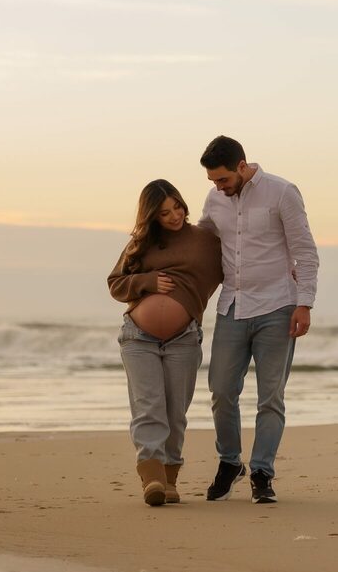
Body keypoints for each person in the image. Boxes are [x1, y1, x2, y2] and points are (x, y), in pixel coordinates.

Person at [198, 135, 318, 504]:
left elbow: (305, 250)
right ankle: (230, 462)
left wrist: (305, 303)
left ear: (242, 165)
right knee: (220, 390)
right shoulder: (214, 199)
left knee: (270, 397)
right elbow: (201, 240)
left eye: (223, 180)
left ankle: (262, 472)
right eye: (213, 182)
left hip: (278, 305)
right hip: (232, 306)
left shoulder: (283, 192)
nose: (219, 187)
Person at [107, 179, 223, 506]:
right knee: (149, 407)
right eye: (163, 213)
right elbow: (115, 284)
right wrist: (148, 282)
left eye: (177, 207)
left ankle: (169, 478)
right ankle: (153, 479)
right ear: (152, 217)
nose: (173, 216)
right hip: (138, 337)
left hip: (183, 338)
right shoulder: (141, 244)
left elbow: (241, 269)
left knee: (175, 412)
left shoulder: (206, 242)